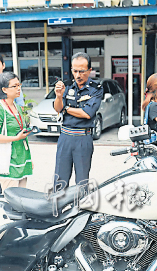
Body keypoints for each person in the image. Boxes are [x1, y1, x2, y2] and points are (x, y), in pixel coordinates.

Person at [53, 52, 103, 192]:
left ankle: (79, 211)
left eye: (82, 71)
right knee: (59, 179)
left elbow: (87, 113)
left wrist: (66, 108)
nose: (78, 75)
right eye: (75, 71)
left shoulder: (96, 89)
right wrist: (59, 97)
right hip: (65, 137)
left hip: (83, 138)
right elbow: (58, 108)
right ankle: (58, 211)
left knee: (81, 181)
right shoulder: (66, 86)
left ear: (89, 70)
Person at [0, 72, 32, 195]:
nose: (19, 88)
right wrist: (15, 138)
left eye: (19, 85)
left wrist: (29, 158)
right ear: (4, 89)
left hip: (22, 157)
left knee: (22, 198)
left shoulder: (17, 107)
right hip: (7, 160)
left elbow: (21, 134)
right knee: (11, 198)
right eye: (15, 86)